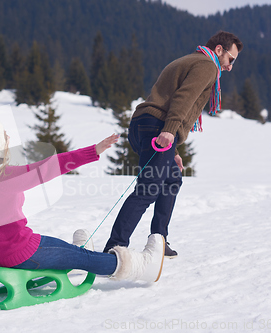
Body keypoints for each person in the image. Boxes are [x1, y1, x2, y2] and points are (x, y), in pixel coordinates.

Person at [0, 72, 166, 283]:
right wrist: (94, 151)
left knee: (67, 251)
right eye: (3, 138)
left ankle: (71, 256)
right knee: (85, 258)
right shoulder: (6, 177)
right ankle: (142, 267)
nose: (7, 138)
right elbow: (52, 165)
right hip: (19, 253)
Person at [103, 31, 243, 257]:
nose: (229, 67)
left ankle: (158, 239)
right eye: (231, 60)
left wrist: (173, 149)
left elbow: (167, 98)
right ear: (219, 50)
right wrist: (169, 130)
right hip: (158, 126)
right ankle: (113, 249)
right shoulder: (207, 66)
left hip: (144, 124)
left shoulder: (188, 60)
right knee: (147, 190)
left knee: (171, 179)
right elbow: (183, 98)